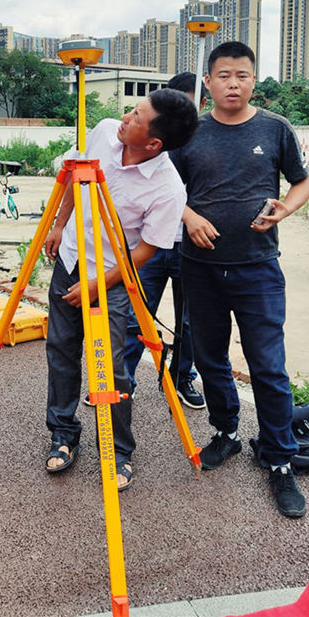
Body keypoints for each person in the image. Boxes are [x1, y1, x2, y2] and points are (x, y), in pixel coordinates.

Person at [175, 41, 309, 518]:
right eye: (224, 75)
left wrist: (285, 208)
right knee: (210, 358)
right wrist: (189, 215)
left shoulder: (274, 129)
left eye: (242, 75)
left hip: (258, 269)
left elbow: (302, 180)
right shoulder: (189, 131)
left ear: (254, 80)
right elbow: (166, 189)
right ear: (208, 82)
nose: (233, 83)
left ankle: (278, 459)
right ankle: (226, 432)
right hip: (200, 268)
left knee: (269, 367)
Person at [44, 89, 198, 491]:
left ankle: (119, 452)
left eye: (136, 115)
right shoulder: (104, 132)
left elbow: (146, 250)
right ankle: (62, 434)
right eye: (133, 109)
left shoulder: (167, 188)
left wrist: (96, 284)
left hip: (110, 280)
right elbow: (73, 178)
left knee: (111, 370)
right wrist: (60, 225)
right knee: (61, 351)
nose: (126, 117)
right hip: (69, 263)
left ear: (154, 142)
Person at [122, 72, 207, 409]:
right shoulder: (152, 139)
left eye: (189, 103)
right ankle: (121, 379)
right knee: (135, 315)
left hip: (192, 248)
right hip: (154, 244)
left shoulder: (207, 138)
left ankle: (180, 376)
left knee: (189, 320)